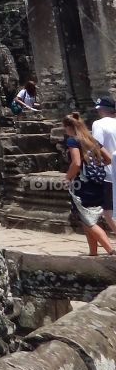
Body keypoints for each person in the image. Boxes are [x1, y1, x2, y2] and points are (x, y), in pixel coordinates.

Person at [62, 112, 115, 256]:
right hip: (98, 183)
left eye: (65, 128)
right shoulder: (91, 140)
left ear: (69, 127)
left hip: (83, 186)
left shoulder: (73, 141)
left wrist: (67, 178)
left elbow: (76, 163)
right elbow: (109, 159)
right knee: (87, 220)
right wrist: (95, 167)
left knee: (89, 221)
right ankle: (93, 253)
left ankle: (110, 250)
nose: (64, 130)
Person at [92, 95, 116, 234]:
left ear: (101, 110)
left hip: (109, 172)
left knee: (107, 211)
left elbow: (97, 146)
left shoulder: (98, 124)